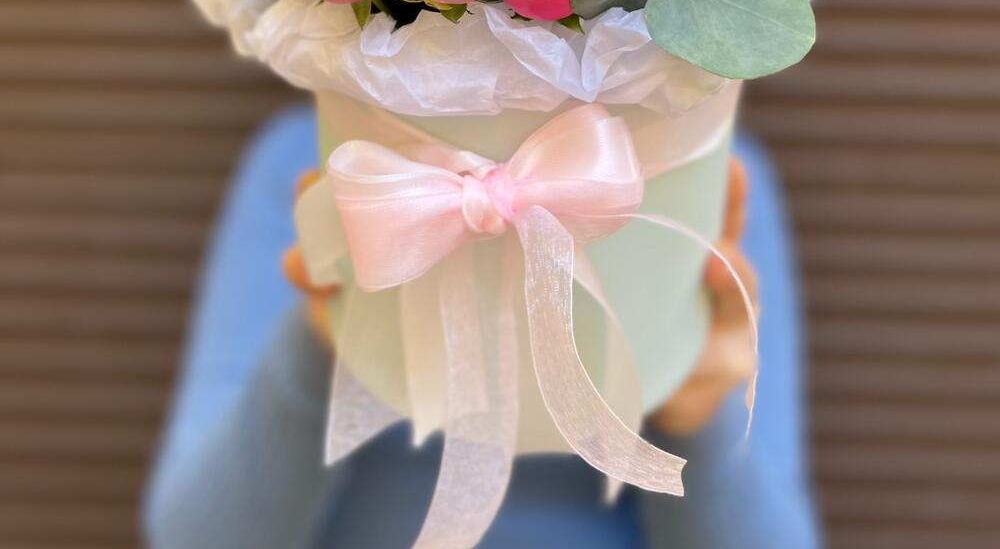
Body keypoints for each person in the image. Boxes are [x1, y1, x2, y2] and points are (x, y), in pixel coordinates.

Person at [144, 105, 821, 548]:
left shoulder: (698, 169)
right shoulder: (325, 162)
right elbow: (193, 537)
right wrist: (326, 337)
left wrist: (695, 414)